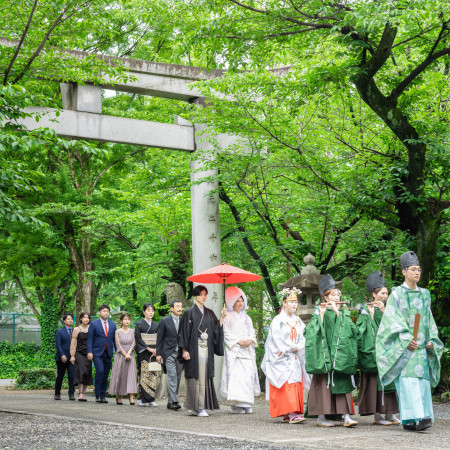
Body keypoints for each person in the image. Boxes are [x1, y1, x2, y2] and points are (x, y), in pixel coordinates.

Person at [376, 251, 443, 431]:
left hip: (421, 346)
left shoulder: (424, 294)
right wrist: (406, 339)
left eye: (419, 270)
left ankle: (422, 417)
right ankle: (413, 418)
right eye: (413, 269)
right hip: (405, 347)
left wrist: (431, 339)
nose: (417, 273)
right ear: (404, 271)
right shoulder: (397, 294)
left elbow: (428, 319)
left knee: (421, 381)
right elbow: (391, 319)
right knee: (408, 382)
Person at [304, 274, 358, 427]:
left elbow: (353, 332)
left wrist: (338, 313)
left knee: (342, 383)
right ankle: (321, 417)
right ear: (326, 298)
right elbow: (310, 333)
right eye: (333, 295)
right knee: (323, 384)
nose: (336, 297)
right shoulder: (319, 313)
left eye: (338, 294)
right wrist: (321, 315)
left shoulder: (344, 314)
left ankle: (346, 417)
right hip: (325, 356)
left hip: (339, 356)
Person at [356, 272, 400, 425]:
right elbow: (360, 331)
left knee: (389, 383)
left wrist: (384, 311)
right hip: (373, 352)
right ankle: (377, 416)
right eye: (382, 293)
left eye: (387, 293)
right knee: (374, 384)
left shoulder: (390, 309)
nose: (385, 296)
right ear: (374, 294)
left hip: (388, 351)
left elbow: (395, 325)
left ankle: (390, 413)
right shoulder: (365, 311)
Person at [261, 287, 309, 424]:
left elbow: (304, 337)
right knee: (286, 382)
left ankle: (292, 412)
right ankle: (290, 412)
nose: (294, 304)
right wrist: (289, 348)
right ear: (284, 303)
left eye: (295, 302)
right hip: (283, 356)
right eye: (291, 301)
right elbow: (275, 340)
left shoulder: (298, 321)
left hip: (295, 356)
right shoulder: (277, 320)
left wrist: (299, 346)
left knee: (294, 382)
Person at [178, 285, 226, 417]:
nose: (203, 297)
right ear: (195, 296)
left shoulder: (209, 313)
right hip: (194, 348)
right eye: (201, 294)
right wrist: (184, 349)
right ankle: (197, 407)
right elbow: (184, 332)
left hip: (206, 348)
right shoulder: (189, 312)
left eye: (205, 294)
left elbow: (216, 328)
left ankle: (200, 406)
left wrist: (222, 317)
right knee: (195, 376)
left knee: (204, 375)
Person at [221, 286, 260, 414]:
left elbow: (252, 332)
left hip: (246, 351)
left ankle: (247, 402)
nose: (240, 303)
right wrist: (238, 341)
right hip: (235, 351)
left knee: (247, 376)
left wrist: (249, 340)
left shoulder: (247, 318)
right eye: (237, 301)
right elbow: (226, 334)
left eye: (242, 300)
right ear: (232, 302)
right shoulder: (228, 317)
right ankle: (237, 403)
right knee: (236, 377)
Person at [156, 300, 184, 411]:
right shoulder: (164, 321)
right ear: (171, 308)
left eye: (181, 306)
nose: (180, 308)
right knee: (172, 376)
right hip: (168, 353)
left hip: (180, 353)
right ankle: (175, 401)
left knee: (177, 377)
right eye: (177, 306)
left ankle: (170, 401)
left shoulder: (183, 320)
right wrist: (158, 354)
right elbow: (160, 338)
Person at [87, 304, 117, 403]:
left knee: (105, 374)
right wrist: (90, 352)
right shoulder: (94, 324)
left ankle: (103, 395)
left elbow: (114, 340)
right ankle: (97, 394)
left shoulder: (113, 325)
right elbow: (90, 339)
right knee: (100, 371)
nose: (106, 313)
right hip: (97, 353)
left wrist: (117, 352)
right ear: (99, 313)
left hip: (108, 353)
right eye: (104, 311)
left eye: (107, 311)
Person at [108, 313, 138, 405]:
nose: (127, 321)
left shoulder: (133, 331)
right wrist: (125, 355)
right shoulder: (117, 331)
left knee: (131, 375)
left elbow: (133, 343)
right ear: (121, 321)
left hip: (130, 354)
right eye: (125, 319)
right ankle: (119, 396)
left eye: (128, 319)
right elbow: (118, 345)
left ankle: (131, 396)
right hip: (121, 355)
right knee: (120, 374)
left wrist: (129, 353)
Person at [135, 302, 159, 407]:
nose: (151, 312)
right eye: (148, 310)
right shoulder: (140, 324)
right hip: (144, 352)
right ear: (144, 311)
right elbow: (138, 338)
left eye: (152, 311)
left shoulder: (156, 325)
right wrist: (148, 348)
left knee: (153, 375)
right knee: (144, 375)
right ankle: (143, 398)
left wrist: (156, 349)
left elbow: (159, 337)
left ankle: (151, 398)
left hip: (154, 352)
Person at [70, 311, 93, 402]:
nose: (86, 319)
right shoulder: (77, 329)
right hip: (79, 353)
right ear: (80, 319)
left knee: (87, 372)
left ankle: (84, 393)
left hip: (88, 353)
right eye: (84, 317)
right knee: (81, 372)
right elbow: (73, 342)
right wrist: (72, 355)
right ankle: (80, 393)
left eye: (87, 317)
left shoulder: (91, 328)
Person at [54, 313, 75, 401]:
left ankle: (71, 394)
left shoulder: (75, 331)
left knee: (72, 376)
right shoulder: (60, 331)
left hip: (72, 358)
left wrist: (73, 356)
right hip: (61, 358)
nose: (70, 320)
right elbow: (58, 345)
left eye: (71, 319)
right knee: (60, 376)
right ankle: (57, 393)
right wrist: (62, 355)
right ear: (64, 321)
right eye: (68, 319)